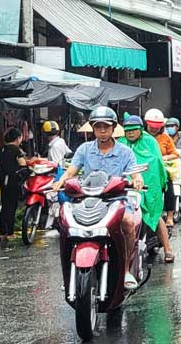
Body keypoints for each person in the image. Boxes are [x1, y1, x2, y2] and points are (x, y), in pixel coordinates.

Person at [54, 107, 147, 287]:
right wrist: (61, 181)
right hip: (88, 200)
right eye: (98, 127)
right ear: (93, 129)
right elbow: (71, 171)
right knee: (65, 224)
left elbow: (136, 174)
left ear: (113, 128)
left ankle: (126, 270)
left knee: (127, 222)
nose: (102, 131)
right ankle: (68, 274)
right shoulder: (84, 149)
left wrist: (137, 180)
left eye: (106, 127)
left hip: (116, 200)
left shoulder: (125, 152)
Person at [121, 114, 176, 263]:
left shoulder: (150, 142)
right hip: (126, 187)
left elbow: (156, 164)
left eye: (134, 130)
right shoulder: (120, 143)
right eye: (127, 130)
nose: (130, 133)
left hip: (148, 186)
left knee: (154, 215)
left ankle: (167, 249)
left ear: (140, 129)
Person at [145, 109, 181, 225]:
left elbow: (175, 153)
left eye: (156, 126)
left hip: (162, 170)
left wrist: (164, 158)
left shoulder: (165, 138)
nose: (154, 128)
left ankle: (170, 216)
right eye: (151, 126)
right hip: (146, 170)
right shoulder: (142, 137)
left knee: (168, 188)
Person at [0, 127, 27, 246]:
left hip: (3, 180)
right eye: (20, 138)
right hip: (13, 181)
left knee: (4, 206)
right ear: (18, 138)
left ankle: (2, 233)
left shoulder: (1, 149)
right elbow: (22, 164)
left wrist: (3, 169)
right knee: (12, 206)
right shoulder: (16, 149)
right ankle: (10, 233)